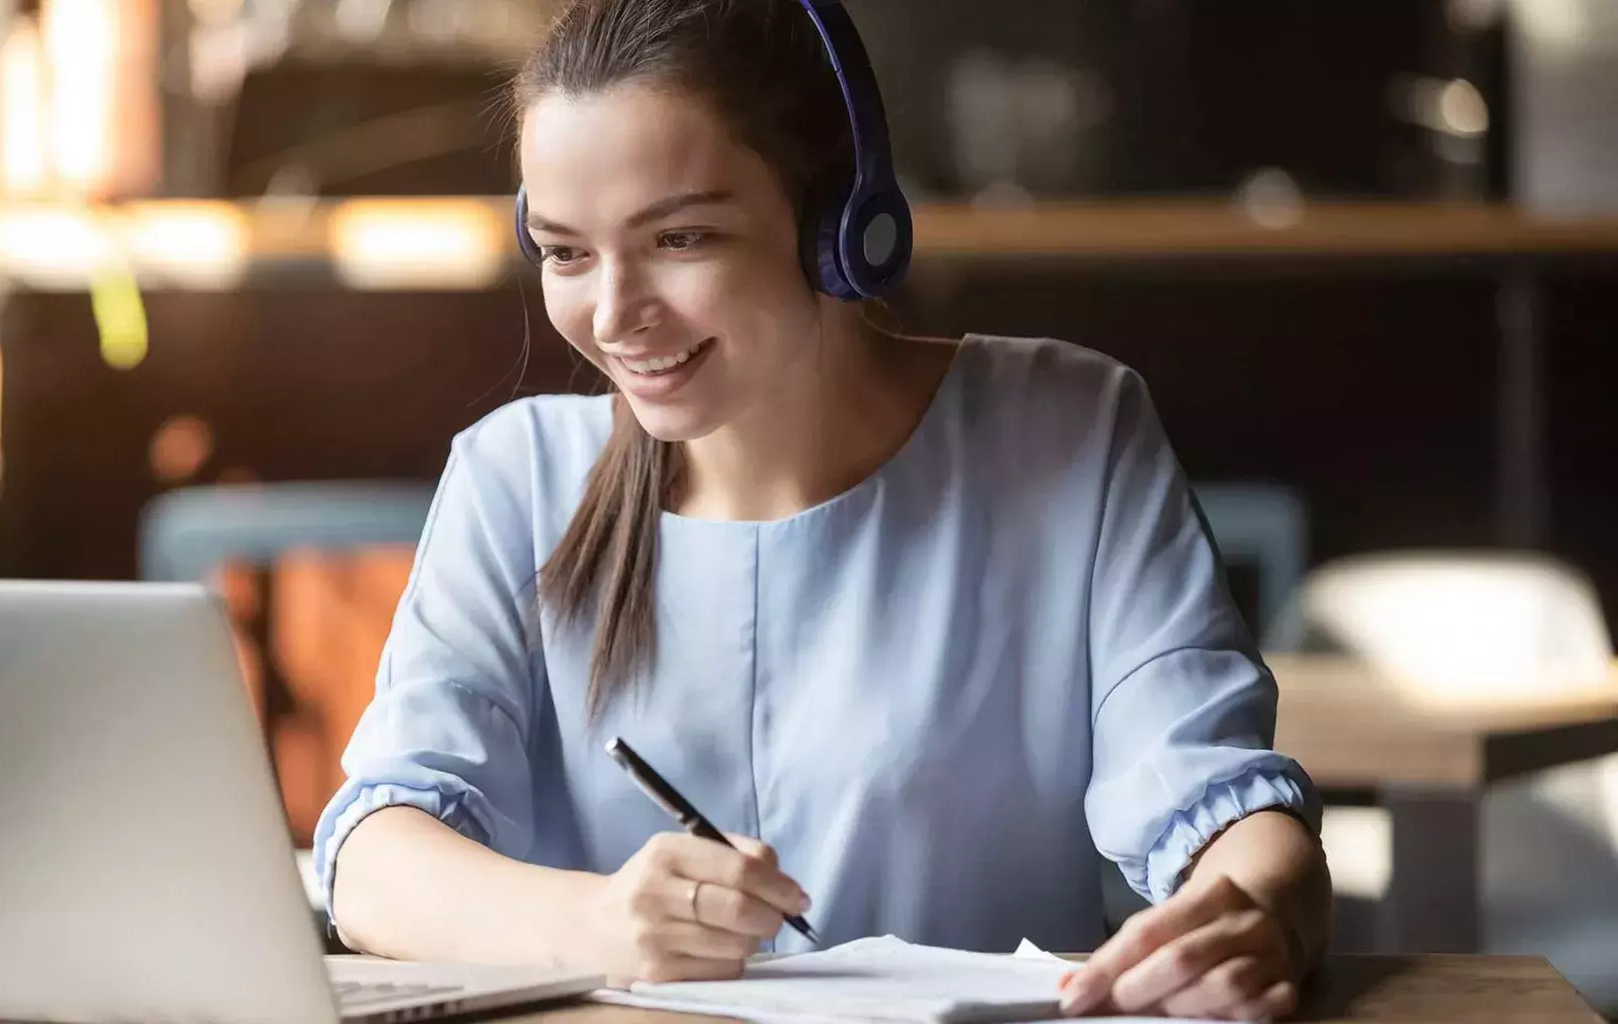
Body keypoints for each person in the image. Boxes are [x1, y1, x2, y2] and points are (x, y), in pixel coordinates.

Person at [314, 0, 1332, 1019]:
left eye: (680, 237)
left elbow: (1212, 799)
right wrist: (600, 925)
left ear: (843, 225)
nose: (615, 314)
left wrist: (1258, 909)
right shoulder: (516, 474)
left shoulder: (1068, 431)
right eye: (568, 253)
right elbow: (373, 858)